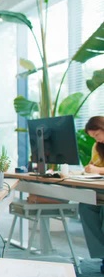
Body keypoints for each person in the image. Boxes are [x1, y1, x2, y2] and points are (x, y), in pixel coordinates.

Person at [79, 116, 104, 274]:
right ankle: (102, 254)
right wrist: (90, 168)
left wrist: (98, 170)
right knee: (86, 206)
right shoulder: (98, 147)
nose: (97, 140)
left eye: (97, 135)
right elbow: (94, 165)